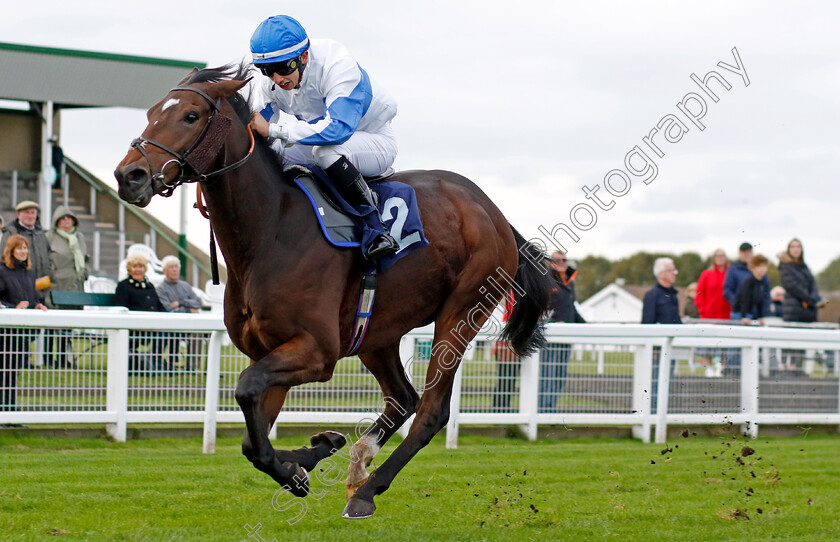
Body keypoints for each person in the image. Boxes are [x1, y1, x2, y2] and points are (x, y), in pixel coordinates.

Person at [249, 14, 400, 260]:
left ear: (304, 57)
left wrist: (276, 130)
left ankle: (377, 229)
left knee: (326, 151)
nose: (277, 78)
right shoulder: (271, 84)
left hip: (373, 139)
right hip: (326, 140)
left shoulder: (337, 64)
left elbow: (337, 130)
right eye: (267, 70)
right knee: (271, 153)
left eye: (283, 68)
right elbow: (257, 129)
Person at [0, 236, 47, 411]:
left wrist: (37, 305)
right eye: (19, 248)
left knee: (13, 373)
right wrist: (14, 307)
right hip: (5, 333)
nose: (23, 252)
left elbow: (30, 298)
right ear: (11, 251)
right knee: (4, 372)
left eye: (26, 248)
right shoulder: (2, 271)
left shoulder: (29, 272)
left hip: (22, 332)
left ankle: (10, 410)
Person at [538, 252, 585, 413]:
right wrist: (552, 323)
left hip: (567, 336)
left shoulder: (570, 282)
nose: (562, 263)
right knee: (547, 373)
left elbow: (571, 308)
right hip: (550, 336)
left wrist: (585, 324)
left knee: (560, 374)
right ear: (551, 263)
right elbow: (540, 309)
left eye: (564, 260)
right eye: (557, 261)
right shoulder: (545, 281)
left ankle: (551, 408)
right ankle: (543, 410)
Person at [44, 205, 89, 368]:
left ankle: (64, 358)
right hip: (56, 286)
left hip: (75, 286)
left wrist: (85, 273)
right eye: (62, 218)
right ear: (56, 221)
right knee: (52, 324)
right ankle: (48, 358)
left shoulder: (79, 237)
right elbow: (45, 258)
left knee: (67, 324)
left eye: (69, 218)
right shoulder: (50, 236)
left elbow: (85, 257)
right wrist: (52, 275)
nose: (66, 221)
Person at [114, 254, 169, 373]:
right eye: (134, 266)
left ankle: (157, 361)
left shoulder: (149, 286)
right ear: (129, 269)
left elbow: (159, 305)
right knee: (159, 334)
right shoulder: (124, 286)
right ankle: (153, 363)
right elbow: (121, 307)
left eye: (141, 266)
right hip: (134, 325)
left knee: (167, 332)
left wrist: (168, 318)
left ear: (145, 269)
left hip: (153, 324)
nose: (138, 270)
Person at [156, 256, 202, 369]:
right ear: (164, 271)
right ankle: (168, 363)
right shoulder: (161, 289)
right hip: (169, 325)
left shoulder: (185, 286)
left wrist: (180, 303)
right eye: (171, 267)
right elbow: (169, 309)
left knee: (197, 334)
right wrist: (189, 309)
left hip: (189, 324)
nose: (175, 269)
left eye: (176, 266)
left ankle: (192, 368)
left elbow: (198, 302)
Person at [1, 201, 51, 291]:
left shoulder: (41, 233)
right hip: (18, 288)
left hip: (42, 287)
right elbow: (4, 257)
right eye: (26, 212)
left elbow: (49, 255)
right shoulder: (11, 232)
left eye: (33, 212)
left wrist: (49, 273)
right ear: (18, 214)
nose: (30, 216)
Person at [778, 238, 823, 323]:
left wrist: (814, 297)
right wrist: (811, 300)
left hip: (809, 311)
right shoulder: (785, 267)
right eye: (793, 247)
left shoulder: (804, 266)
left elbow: (812, 283)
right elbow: (793, 287)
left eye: (798, 247)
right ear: (789, 249)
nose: (796, 249)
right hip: (793, 312)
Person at [723, 242, 769, 319]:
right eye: (744, 252)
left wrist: (761, 311)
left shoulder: (761, 274)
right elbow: (728, 290)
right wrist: (738, 305)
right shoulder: (733, 269)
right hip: (741, 313)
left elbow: (765, 293)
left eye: (749, 252)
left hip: (755, 313)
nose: (747, 254)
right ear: (739, 253)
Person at [731, 254, 771, 324]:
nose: (762, 269)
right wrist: (744, 316)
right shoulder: (748, 281)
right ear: (753, 268)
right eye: (759, 266)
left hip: (749, 313)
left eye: (764, 266)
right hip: (739, 313)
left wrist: (760, 316)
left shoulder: (762, 281)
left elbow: (760, 300)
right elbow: (745, 299)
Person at [642, 258, 682, 324]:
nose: (674, 273)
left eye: (674, 270)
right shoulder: (652, 295)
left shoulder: (673, 294)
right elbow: (647, 323)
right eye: (670, 270)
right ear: (660, 273)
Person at [695, 249, 730, 319]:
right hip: (709, 315)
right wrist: (702, 310)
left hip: (727, 316)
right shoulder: (706, 274)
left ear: (726, 258)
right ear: (714, 258)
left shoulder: (731, 273)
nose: (720, 258)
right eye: (718, 256)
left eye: (722, 256)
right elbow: (699, 293)